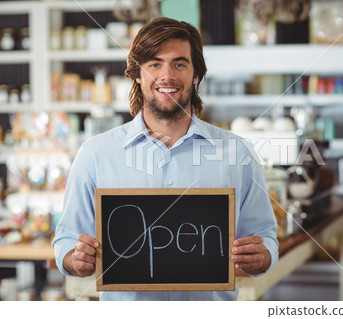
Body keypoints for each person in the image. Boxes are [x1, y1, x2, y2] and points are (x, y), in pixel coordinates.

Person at [52, 17, 278, 301]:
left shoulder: (238, 153)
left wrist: (263, 256)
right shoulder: (95, 154)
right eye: (154, 64)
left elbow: (264, 234)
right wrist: (75, 259)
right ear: (137, 73)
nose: (167, 75)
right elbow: (66, 241)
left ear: (196, 75)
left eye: (180, 64)